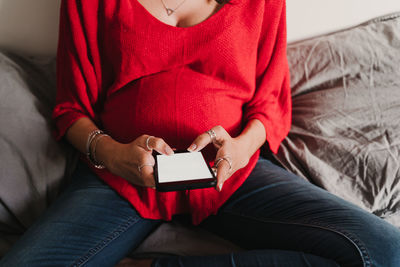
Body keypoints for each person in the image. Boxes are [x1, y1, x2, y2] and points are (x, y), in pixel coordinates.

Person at [1, 0, 400, 266]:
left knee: (385, 251)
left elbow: (269, 102)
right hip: (121, 178)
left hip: (233, 174)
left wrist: (243, 147)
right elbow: (70, 109)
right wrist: (111, 154)